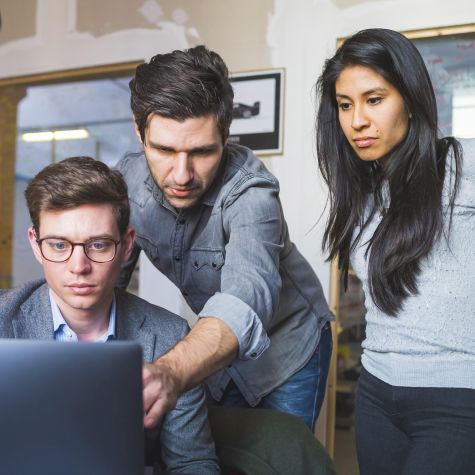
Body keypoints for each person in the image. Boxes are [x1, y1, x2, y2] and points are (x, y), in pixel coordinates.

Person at [117, 45, 333, 431]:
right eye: (164, 149)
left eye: (201, 152)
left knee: (279, 459)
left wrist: (168, 371)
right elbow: (106, 276)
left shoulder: (253, 194)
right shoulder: (126, 180)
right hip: (214, 348)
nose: (182, 175)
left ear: (226, 134)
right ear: (139, 132)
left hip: (290, 349)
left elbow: (244, 300)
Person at [315, 28, 475, 475]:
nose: (357, 121)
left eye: (374, 99)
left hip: (456, 402)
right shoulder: (362, 193)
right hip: (377, 396)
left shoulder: (463, 164)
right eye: (345, 105)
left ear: (410, 97)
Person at [0, 156, 220, 475]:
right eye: (59, 245)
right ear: (35, 244)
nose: (79, 266)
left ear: (127, 244)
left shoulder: (171, 338)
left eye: (99, 245)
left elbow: (193, 464)